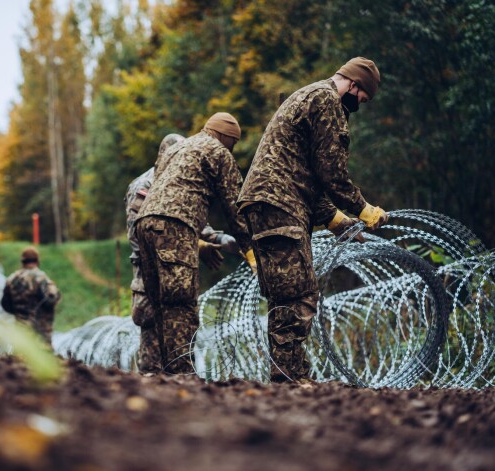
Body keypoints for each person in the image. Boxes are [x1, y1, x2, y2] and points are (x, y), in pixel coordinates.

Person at [237, 57, 389, 383]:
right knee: (299, 293)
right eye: (362, 98)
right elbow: (331, 173)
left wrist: (335, 220)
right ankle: (292, 379)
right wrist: (363, 209)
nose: (360, 105)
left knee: (285, 294)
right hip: (280, 201)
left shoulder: (309, 95)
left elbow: (309, 174)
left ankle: (286, 378)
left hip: (270, 201)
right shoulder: (327, 100)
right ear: (354, 84)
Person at [135, 112, 255, 374]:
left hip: (144, 224)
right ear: (227, 138)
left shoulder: (178, 148)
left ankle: (165, 371)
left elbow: (167, 189)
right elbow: (235, 205)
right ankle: (182, 373)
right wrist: (250, 249)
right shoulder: (218, 152)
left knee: (160, 305)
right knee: (181, 302)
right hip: (175, 226)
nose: (231, 149)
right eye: (232, 144)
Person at [1, 246, 61, 343]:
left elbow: (5, 305)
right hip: (40, 334)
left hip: (20, 331)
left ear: (23, 262)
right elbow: (51, 300)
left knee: (19, 356)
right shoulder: (41, 278)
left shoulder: (11, 279)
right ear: (37, 261)